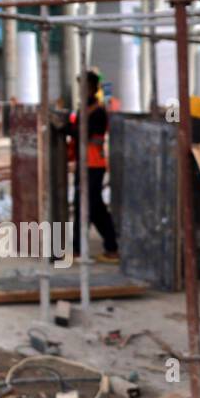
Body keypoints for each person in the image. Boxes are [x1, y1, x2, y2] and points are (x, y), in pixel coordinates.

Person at [68, 70, 119, 262]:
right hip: (86, 164)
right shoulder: (85, 110)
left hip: (93, 165)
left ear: (92, 88)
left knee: (84, 206)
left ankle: (78, 248)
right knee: (95, 208)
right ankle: (112, 247)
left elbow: (84, 133)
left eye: (84, 86)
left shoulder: (97, 112)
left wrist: (66, 128)